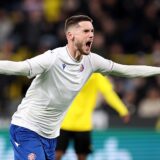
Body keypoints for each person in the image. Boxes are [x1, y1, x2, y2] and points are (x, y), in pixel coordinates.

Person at [0, 15, 160, 160]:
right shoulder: (53, 59)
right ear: (70, 36)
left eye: (92, 31)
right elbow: (18, 67)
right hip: (26, 127)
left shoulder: (92, 61)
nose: (91, 34)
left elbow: (126, 70)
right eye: (85, 31)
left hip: (50, 135)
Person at [55, 73, 130, 160]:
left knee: (61, 154)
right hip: (69, 123)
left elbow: (109, 94)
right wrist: (123, 111)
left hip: (75, 124)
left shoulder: (94, 74)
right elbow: (109, 94)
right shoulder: (94, 74)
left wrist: (122, 110)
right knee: (59, 154)